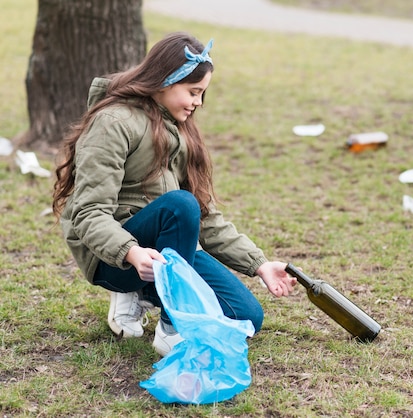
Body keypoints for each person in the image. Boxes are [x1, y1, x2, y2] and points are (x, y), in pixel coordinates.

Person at [52, 32, 297, 356]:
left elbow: (206, 218)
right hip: (113, 259)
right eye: (193, 92)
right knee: (180, 205)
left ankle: (142, 294)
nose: (198, 102)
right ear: (166, 81)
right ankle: (171, 327)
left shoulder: (180, 128)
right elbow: (89, 213)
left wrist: (258, 264)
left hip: (164, 251)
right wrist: (130, 252)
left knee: (246, 317)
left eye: (202, 94)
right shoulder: (113, 123)